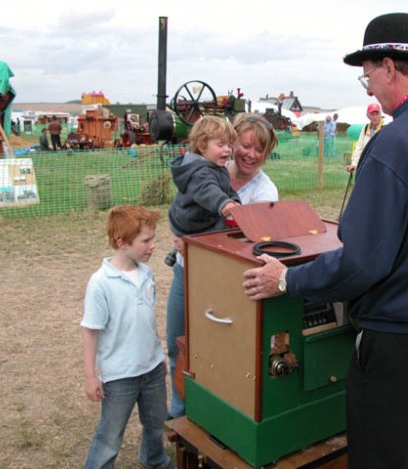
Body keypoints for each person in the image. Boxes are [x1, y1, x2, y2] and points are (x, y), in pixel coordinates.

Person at [241, 12, 408, 469]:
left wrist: (287, 280)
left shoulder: (399, 139)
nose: (369, 91)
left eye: (367, 78)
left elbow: (362, 262)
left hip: (399, 338)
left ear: (389, 67)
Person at [165, 113, 279, 419]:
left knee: (217, 352)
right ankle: (180, 414)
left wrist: (194, 242)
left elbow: (249, 242)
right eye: (245, 145)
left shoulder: (265, 193)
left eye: (259, 149)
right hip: (185, 272)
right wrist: (179, 234)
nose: (250, 154)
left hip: (223, 282)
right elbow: (186, 206)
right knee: (179, 343)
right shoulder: (212, 166)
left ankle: (213, 416)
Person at [81, 205, 173, 469]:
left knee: (156, 422)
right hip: (120, 376)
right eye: (146, 240)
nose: (153, 246)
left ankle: (154, 459)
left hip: (152, 369)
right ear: (121, 242)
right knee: (110, 435)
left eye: (153, 239)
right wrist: (91, 376)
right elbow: (90, 332)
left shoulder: (146, 274)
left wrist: (159, 354)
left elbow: (147, 321)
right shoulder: (101, 283)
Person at [168, 115, 241, 239]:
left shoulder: (216, 166)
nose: (228, 150)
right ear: (202, 146)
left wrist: (234, 200)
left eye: (229, 145)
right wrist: (224, 203)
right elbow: (208, 190)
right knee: (223, 230)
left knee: (228, 224)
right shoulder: (199, 173)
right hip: (191, 224)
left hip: (204, 218)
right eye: (221, 145)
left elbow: (226, 188)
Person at [346, 103, 384, 172]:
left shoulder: (386, 127)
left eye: (377, 114)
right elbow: (359, 147)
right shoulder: (365, 128)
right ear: (367, 115)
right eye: (372, 114)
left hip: (381, 167)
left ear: (380, 114)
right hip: (366, 165)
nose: (375, 117)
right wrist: (354, 164)